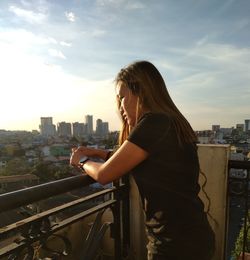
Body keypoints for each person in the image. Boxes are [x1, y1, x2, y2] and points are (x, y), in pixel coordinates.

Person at [70, 60, 215, 260]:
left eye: (122, 97)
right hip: (193, 235)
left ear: (141, 93)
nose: (119, 107)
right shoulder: (169, 121)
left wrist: (83, 159)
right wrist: (100, 154)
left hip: (174, 243)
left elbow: (104, 175)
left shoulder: (153, 122)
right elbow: (145, 158)